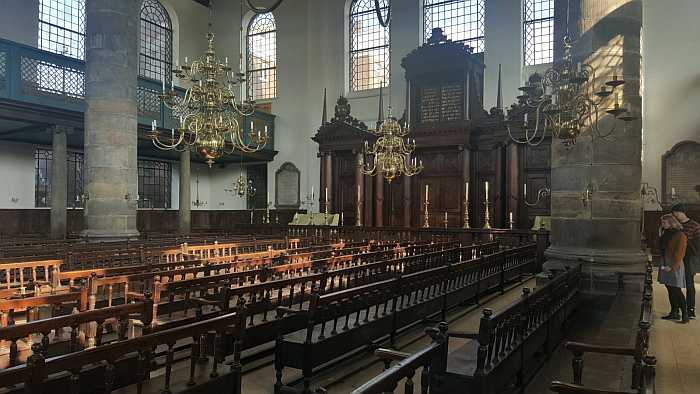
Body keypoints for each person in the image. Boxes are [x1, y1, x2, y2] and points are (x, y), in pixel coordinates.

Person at [658, 214, 689, 323]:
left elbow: (680, 253)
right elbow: (662, 247)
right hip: (665, 261)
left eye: (664, 222)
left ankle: (685, 314)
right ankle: (674, 312)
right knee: (669, 288)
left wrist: (671, 267)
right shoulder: (665, 233)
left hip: (674, 263)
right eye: (662, 222)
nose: (662, 224)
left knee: (676, 289)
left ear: (671, 223)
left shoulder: (680, 235)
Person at [671, 203, 700, 319]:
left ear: (680, 212)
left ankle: (690, 309)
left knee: (689, 284)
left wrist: (685, 242)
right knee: (674, 283)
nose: (674, 216)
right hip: (677, 257)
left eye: (674, 213)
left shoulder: (695, 225)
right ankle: (676, 309)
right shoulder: (674, 224)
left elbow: (698, 244)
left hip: (689, 258)